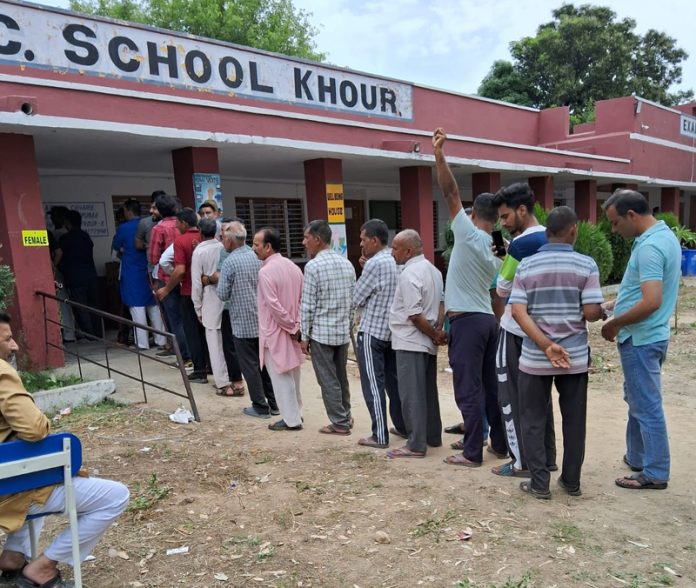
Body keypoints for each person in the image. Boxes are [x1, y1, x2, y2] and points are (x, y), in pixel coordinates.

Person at [0, 312, 129, 587]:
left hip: (9, 481)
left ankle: (13, 557)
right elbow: (35, 428)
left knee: (32, 473)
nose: (15, 346)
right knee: (115, 496)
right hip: (7, 491)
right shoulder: (2, 372)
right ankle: (42, 567)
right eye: (8, 339)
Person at [510, 206, 604, 499]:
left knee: (533, 419)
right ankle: (571, 482)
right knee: (574, 420)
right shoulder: (586, 265)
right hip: (573, 359)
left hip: (535, 359)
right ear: (574, 229)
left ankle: (539, 484)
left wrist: (544, 344)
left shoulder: (526, 265)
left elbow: (517, 312)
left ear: (547, 232)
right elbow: (590, 313)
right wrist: (602, 309)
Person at [432, 128, 507, 468]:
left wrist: (439, 154)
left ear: (474, 213)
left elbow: (449, 190)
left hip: (468, 322)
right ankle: (500, 444)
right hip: (489, 322)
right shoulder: (497, 252)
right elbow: (496, 292)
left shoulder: (467, 234)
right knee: (490, 387)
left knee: (468, 388)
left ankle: (473, 451)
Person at [601, 189, 681, 490]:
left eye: (615, 222)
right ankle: (637, 456)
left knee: (646, 405)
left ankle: (655, 472)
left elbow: (651, 301)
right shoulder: (662, 237)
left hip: (641, 338)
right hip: (649, 336)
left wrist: (615, 323)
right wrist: (615, 304)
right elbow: (642, 290)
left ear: (631, 215)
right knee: (637, 399)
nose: (613, 229)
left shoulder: (649, 247)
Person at [491, 183, 556, 478]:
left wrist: (506, 259)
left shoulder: (519, 246)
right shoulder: (553, 238)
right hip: (544, 331)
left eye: (505, 216)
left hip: (516, 329)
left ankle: (520, 462)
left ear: (521, 210)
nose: (503, 223)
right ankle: (547, 457)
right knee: (541, 399)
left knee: (512, 397)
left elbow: (503, 286)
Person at [386, 229, 445, 458]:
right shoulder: (433, 270)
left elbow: (414, 314)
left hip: (410, 340)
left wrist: (432, 333)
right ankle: (432, 435)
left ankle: (415, 445)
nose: (392, 253)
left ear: (408, 251)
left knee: (411, 393)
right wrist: (437, 331)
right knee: (427, 391)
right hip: (426, 340)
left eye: (395, 248)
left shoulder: (409, 274)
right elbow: (440, 303)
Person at [215, 221, 279, 417]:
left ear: (230, 241)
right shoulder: (258, 258)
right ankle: (274, 404)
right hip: (262, 319)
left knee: (249, 365)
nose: (222, 240)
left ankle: (260, 406)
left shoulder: (229, 262)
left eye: (224, 237)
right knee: (265, 364)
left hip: (242, 322)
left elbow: (223, 294)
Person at [352, 219, 405, 448]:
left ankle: (380, 435)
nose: (361, 244)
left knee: (373, 385)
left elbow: (357, 296)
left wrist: (366, 270)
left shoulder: (375, 263)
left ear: (375, 240)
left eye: (364, 239)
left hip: (372, 331)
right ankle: (402, 426)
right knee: (394, 385)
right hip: (391, 333)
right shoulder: (395, 261)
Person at [300, 220, 356, 436]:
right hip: (341, 331)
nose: (304, 242)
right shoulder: (347, 264)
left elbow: (307, 305)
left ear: (317, 239)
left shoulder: (313, 267)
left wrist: (304, 336)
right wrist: (349, 324)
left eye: (306, 238)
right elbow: (353, 301)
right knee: (341, 377)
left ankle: (340, 422)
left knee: (328, 379)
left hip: (322, 333)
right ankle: (346, 415)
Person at [254, 228, 304, 432]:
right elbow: (302, 301)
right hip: (292, 329)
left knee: (281, 377)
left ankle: (291, 419)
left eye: (256, 244)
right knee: (293, 375)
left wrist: (291, 326)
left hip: (275, 331)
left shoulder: (265, 272)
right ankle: (296, 414)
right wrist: (297, 325)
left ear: (268, 247)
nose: (253, 248)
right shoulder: (293, 267)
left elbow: (274, 307)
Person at [156, 208, 210, 384]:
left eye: (178, 222)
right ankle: (209, 365)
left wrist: (166, 288)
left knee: (192, 332)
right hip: (208, 292)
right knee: (207, 331)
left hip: (188, 292)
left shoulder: (181, 241)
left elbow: (178, 270)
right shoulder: (209, 239)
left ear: (185, 223)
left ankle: (200, 370)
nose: (176, 225)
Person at [112, 199, 166, 351]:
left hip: (131, 272)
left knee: (137, 308)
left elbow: (114, 252)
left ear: (128, 211)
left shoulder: (123, 228)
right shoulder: (150, 224)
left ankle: (142, 344)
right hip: (150, 269)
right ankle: (161, 340)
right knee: (154, 306)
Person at [191, 218, 233, 395]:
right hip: (228, 299)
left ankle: (223, 383)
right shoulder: (223, 248)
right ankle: (235, 378)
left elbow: (196, 283)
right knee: (229, 342)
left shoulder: (199, 252)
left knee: (214, 343)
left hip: (209, 299)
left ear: (200, 233)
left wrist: (197, 307)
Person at [148, 194, 190, 365]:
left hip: (167, 278)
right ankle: (194, 355)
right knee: (189, 316)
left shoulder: (159, 229)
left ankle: (185, 357)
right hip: (187, 275)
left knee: (175, 319)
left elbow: (153, 257)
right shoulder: (185, 223)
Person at [54, 210, 102, 339]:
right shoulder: (85, 236)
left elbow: (62, 257)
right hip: (91, 276)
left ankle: (90, 335)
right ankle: (98, 333)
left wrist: (56, 267)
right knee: (94, 306)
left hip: (75, 278)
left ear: (68, 223)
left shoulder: (65, 239)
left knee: (81, 308)